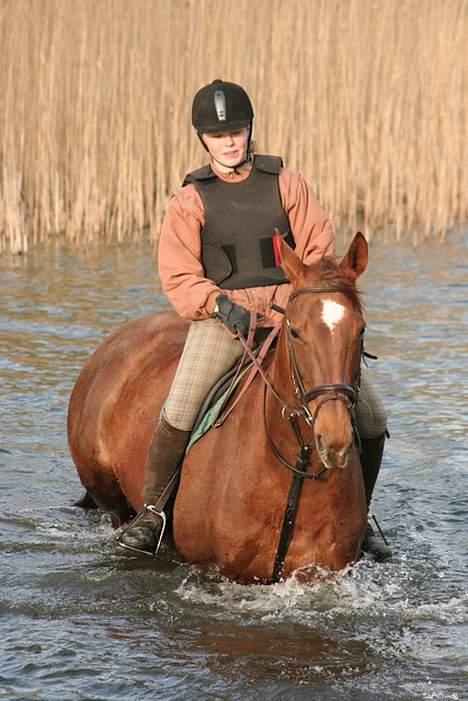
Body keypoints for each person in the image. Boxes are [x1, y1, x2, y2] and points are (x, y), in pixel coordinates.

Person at [119, 79, 391, 561]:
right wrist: (217, 303)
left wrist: (302, 297)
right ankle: (154, 514)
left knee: (370, 414)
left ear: (250, 130)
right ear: (203, 138)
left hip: (296, 317)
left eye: (237, 131)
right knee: (182, 405)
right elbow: (179, 274)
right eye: (218, 134)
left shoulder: (288, 184)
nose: (229, 142)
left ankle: (360, 515)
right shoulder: (190, 201)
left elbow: (317, 252)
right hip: (226, 321)